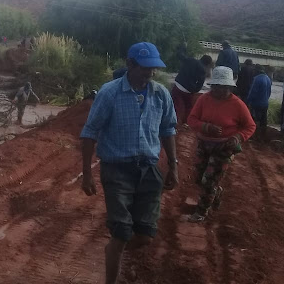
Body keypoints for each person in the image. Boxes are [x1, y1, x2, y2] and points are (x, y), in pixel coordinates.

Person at [80, 42, 178, 284]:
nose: (151, 73)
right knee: (122, 231)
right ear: (130, 64)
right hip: (117, 170)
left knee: (145, 236)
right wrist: (86, 174)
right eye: (145, 67)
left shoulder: (160, 94)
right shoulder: (110, 93)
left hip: (149, 171)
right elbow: (90, 131)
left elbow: (168, 129)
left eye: (154, 68)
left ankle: (113, 251)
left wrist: (174, 166)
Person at [186, 66, 255, 222]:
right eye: (219, 87)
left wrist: (238, 137)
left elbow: (250, 126)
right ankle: (215, 192)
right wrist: (206, 127)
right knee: (198, 178)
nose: (223, 91)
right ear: (213, 86)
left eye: (227, 87)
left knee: (209, 181)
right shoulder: (204, 99)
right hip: (204, 144)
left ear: (231, 87)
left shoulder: (238, 104)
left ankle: (201, 213)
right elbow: (192, 119)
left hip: (224, 148)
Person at [171, 53, 214, 125]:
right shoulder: (203, 70)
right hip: (188, 91)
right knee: (188, 107)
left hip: (178, 86)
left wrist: (183, 47)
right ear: (207, 64)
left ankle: (175, 123)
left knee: (177, 106)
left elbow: (180, 56)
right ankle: (186, 123)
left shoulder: (190, 60)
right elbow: (200, 84)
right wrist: (194, 91)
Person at [246, 65, 272, 142]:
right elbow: (269, 92)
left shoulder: (257, 79)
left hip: (256, 104)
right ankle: (263, 136)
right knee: (263, 121)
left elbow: (253, 92)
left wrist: (247, 102)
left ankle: (255, 137)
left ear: (257, 71)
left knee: (255, 120)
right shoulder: (268, 79)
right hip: (265, 103)